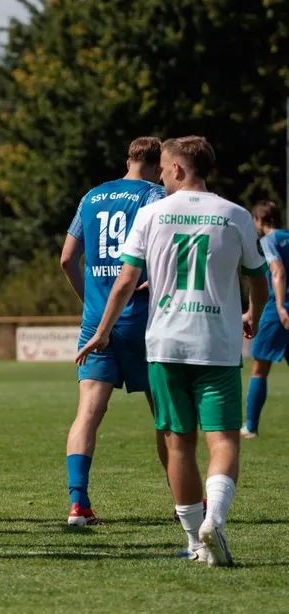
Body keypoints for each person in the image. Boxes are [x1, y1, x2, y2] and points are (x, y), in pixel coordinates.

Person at [77, 136, 269, 566]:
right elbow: (258, 277)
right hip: (216, 346)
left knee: (178, 443)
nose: (160, 174)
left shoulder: (151, 214)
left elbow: (126, 281)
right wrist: (251, 311)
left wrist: (102, 331)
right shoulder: (235, 215)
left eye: (164, 167)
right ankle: (214, 520)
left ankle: (195, 542)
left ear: (179, 169)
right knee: (223, 440)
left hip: (164, 345)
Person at [59, 137, 167, 525]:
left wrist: (93, 303)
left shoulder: (92, 196)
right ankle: (184, 502)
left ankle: (78, 504)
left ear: (128, 160)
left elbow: (67, 258)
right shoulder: (156, 196)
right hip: (143, 322)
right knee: (164, 414)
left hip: (96, 322)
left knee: (87, 413)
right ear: (158, 165)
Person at [241, 201, 289, 438]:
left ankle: (250, 427)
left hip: (275, 311)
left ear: (260, 220)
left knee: (259, 370)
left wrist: (280, 306)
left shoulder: (268, 241)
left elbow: (278, 271)